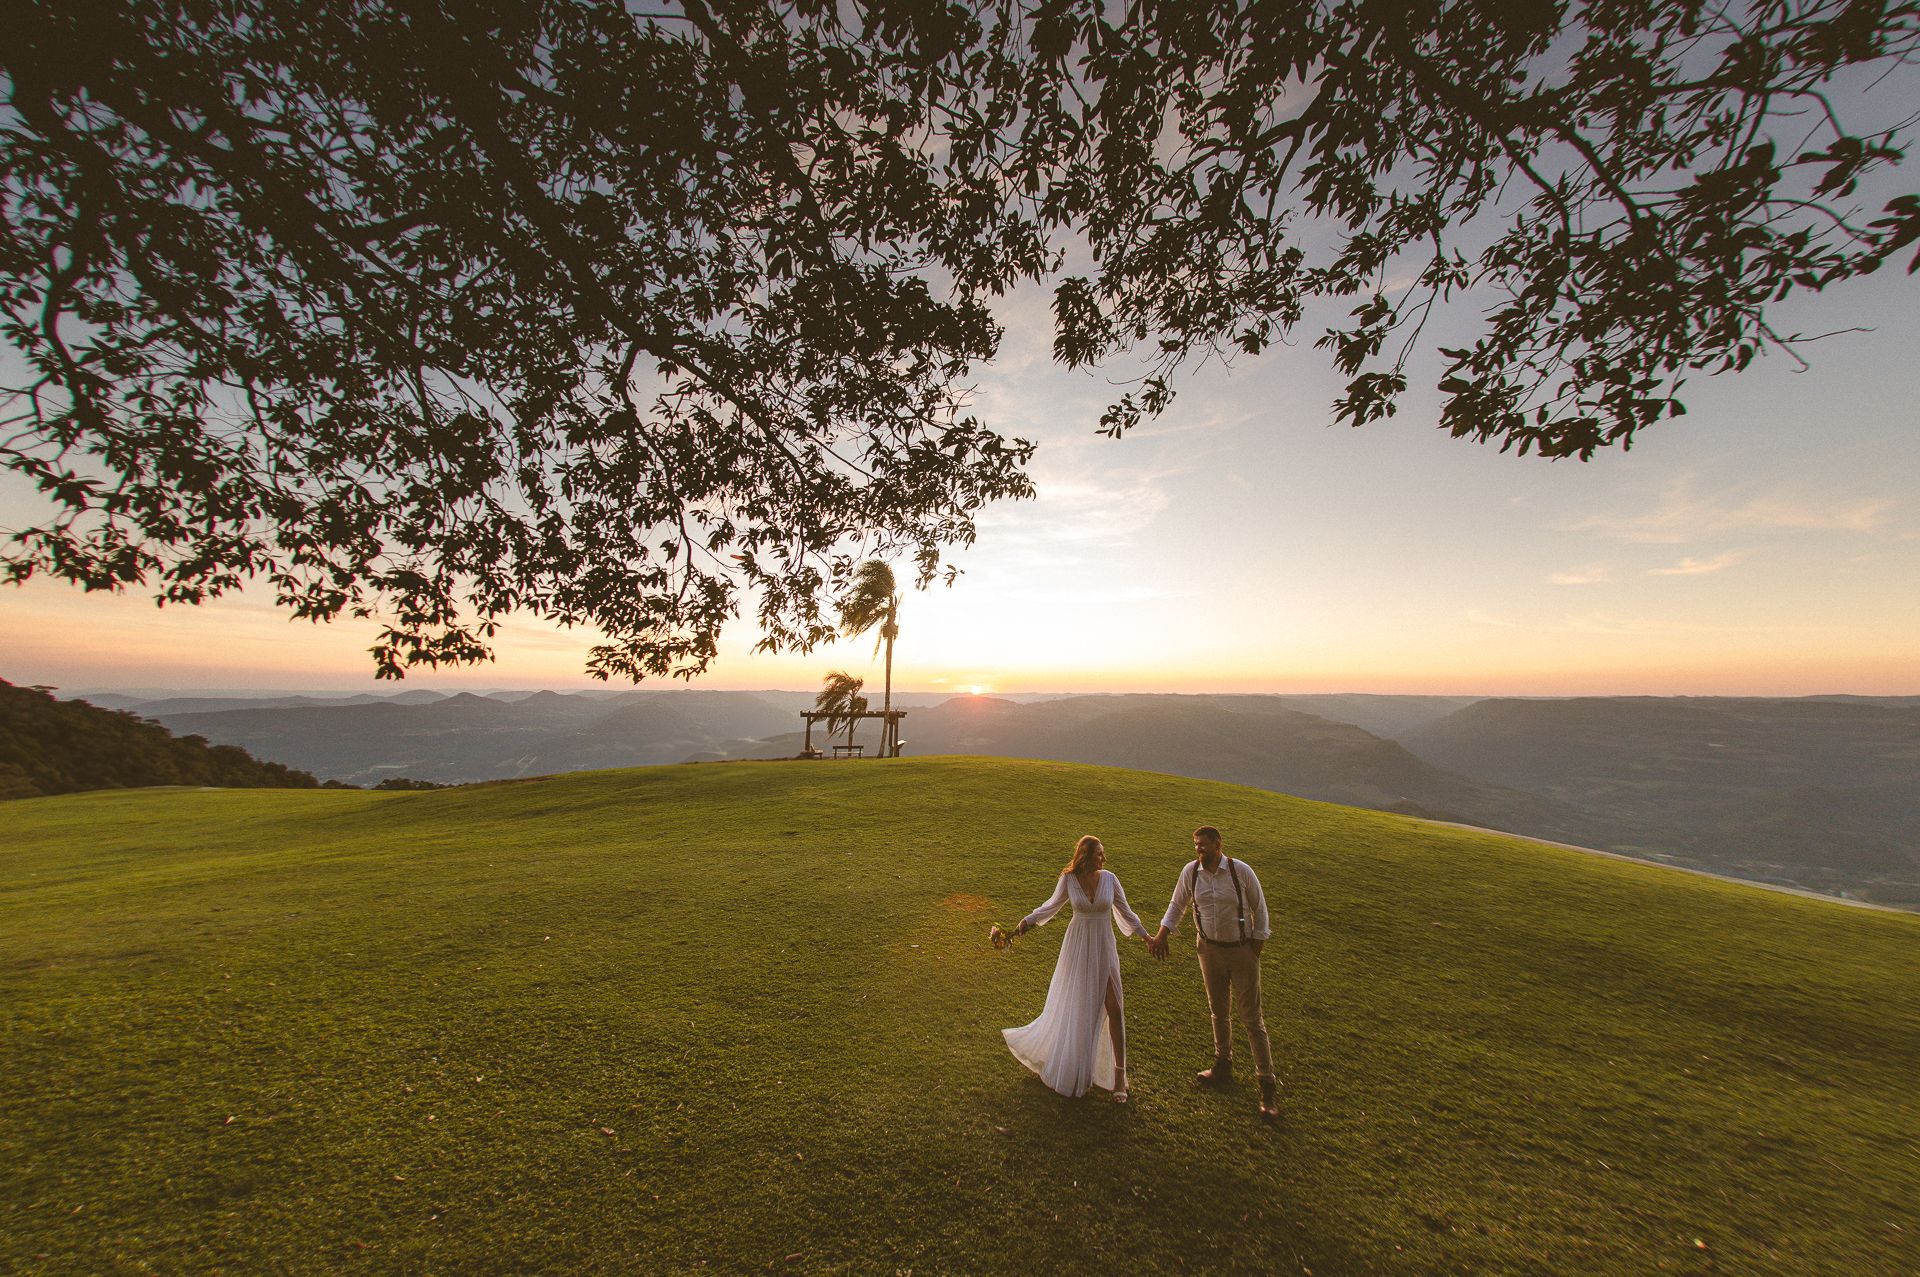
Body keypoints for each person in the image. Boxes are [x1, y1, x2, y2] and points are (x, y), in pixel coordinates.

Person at [1002, 835, 1151, 1101]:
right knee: (1080, 1006)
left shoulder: (1110, 879)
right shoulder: (1069, 880)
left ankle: (1119, 1076)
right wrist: (1026, 922)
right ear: (1085, 856)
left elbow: (1126, 912)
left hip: (1103, 947)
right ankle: (1077, 1065)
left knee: (1115, 1007)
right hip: (1078, 947)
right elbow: (1051, 905)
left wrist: (1146, 937)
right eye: (1099, 854)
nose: (1103, 858)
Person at [1147, 825, 1279, 1118]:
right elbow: (1177, 905)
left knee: (1251, 1018)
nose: (1199, 849)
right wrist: (1161, 935)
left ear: (1218, 844)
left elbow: (1260, 908)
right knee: (1218, 1010)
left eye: (1204, 844)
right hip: (1208, 950)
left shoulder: (1240, 871)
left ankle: (1267, 1085)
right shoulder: (1191, 872)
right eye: (1196, 844)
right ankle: (1222, 1064)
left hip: (1241, 950)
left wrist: (1255, 947)